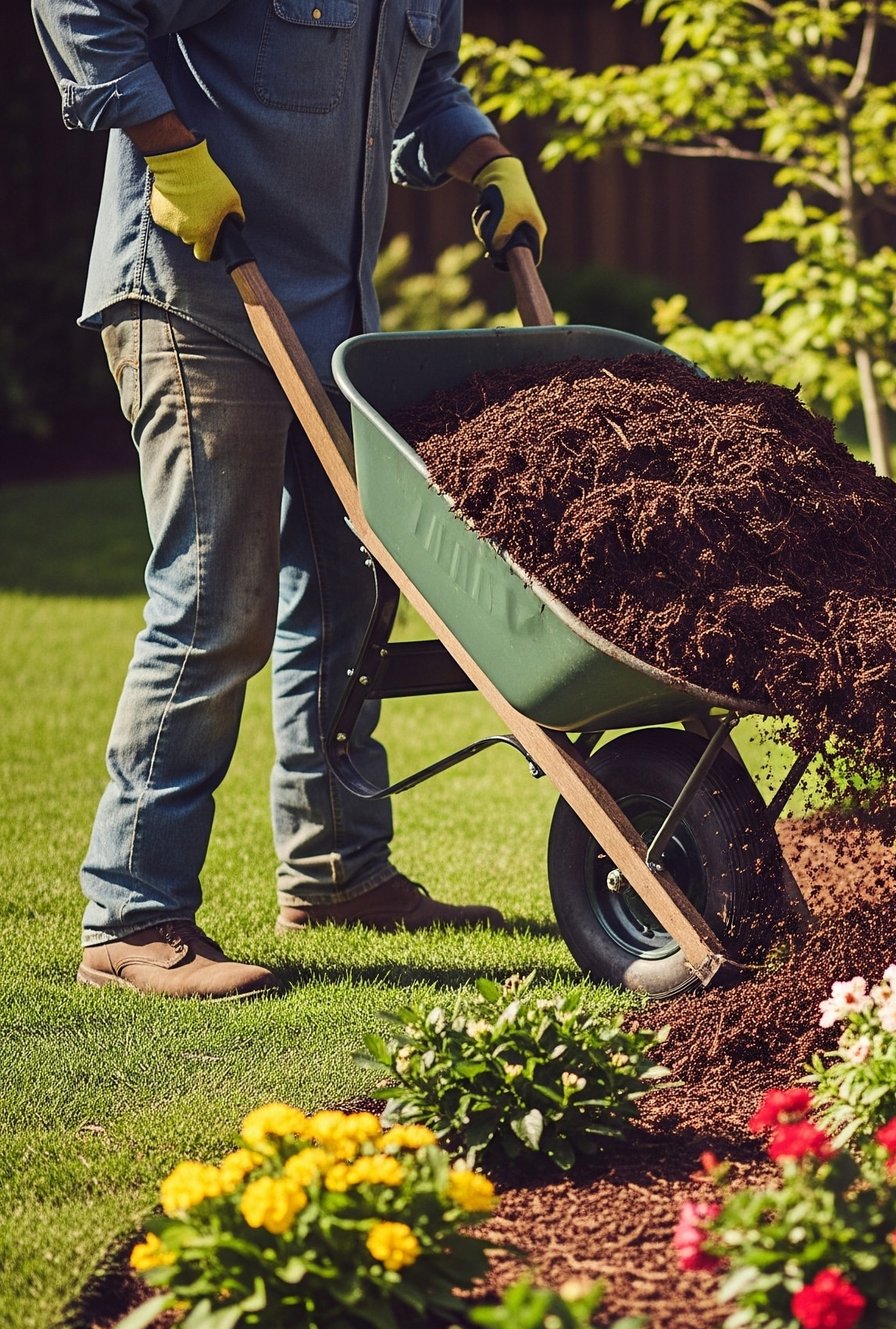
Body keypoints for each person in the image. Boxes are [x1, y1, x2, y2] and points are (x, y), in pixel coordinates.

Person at [32, 0, 547, 999]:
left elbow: (424, 88)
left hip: (328, 315)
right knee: (215, 602)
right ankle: (130, 917)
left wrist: (484, 157)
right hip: (195, 298)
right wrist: (167, 146)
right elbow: (84, 9)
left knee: (353, 588)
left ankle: (338, 869)